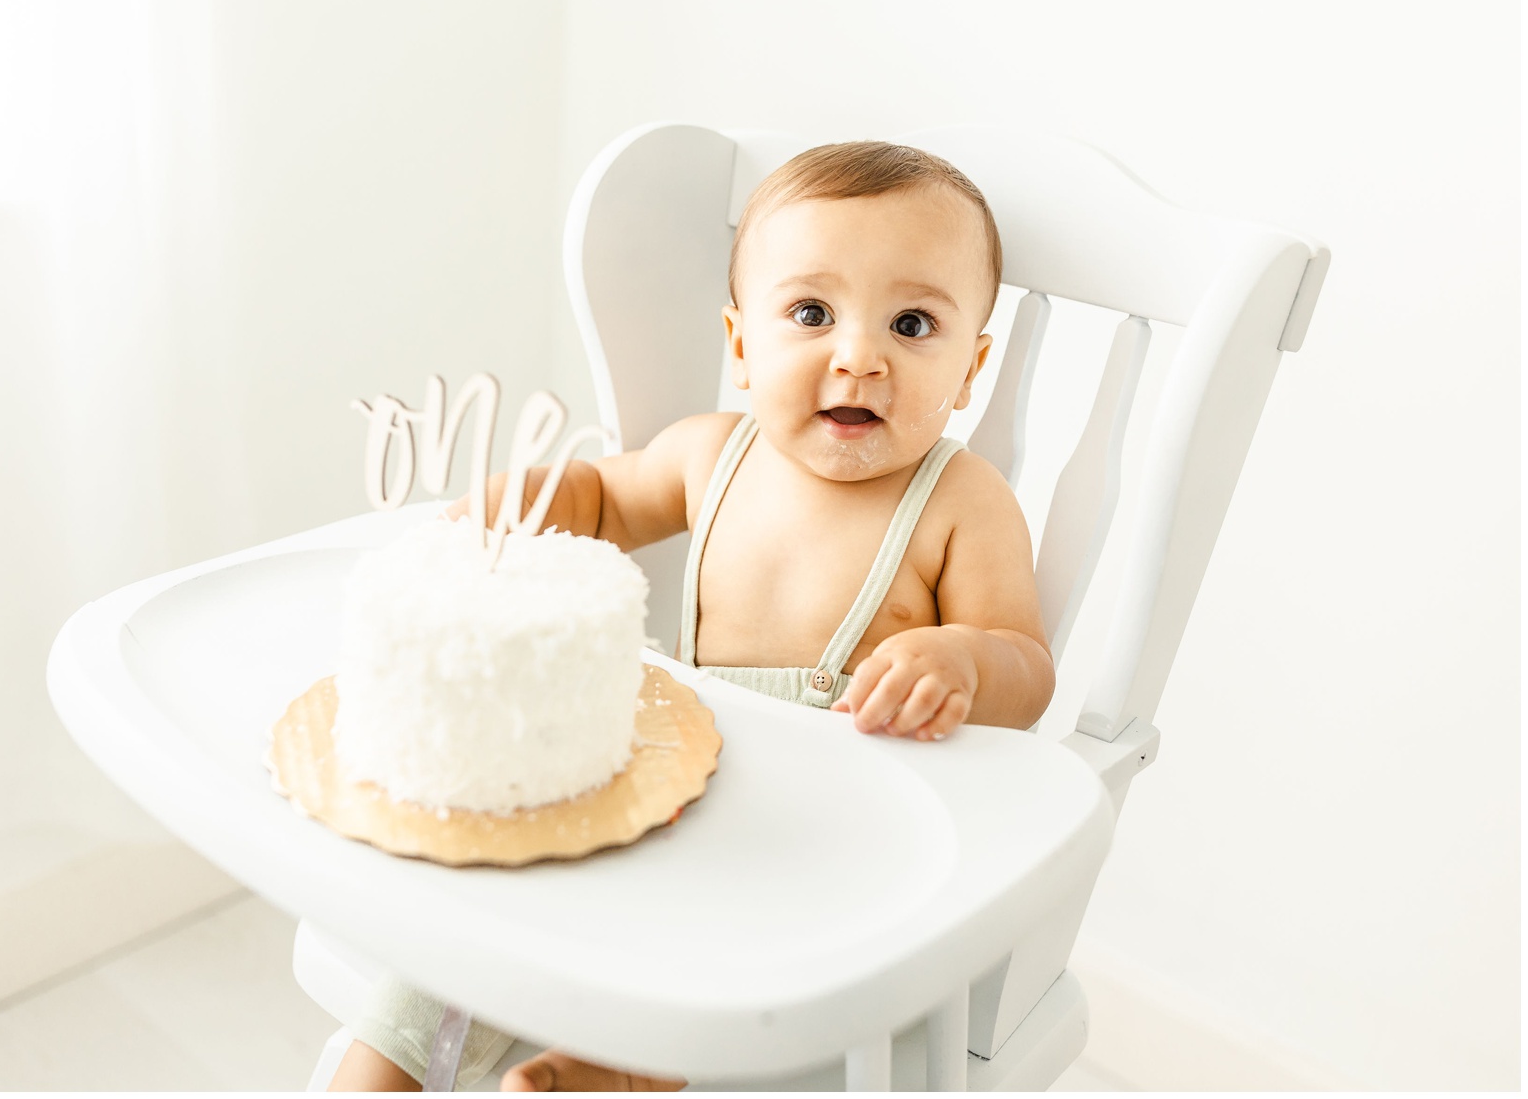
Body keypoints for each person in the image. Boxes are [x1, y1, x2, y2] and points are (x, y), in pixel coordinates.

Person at [330, 140, 1054, 1092]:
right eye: (811, 313)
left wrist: (962, 659)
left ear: (971, 370)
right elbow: (599, 498)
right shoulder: (711, 454)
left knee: (709, 939)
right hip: (668, 779)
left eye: (913, 323)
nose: (859, 355)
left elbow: (1025, 664)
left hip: (820, 834)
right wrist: (517, 504)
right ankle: (387, 1059)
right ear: (744, 344)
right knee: (485, 901)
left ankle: (617, 1065)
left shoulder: (964, 502)